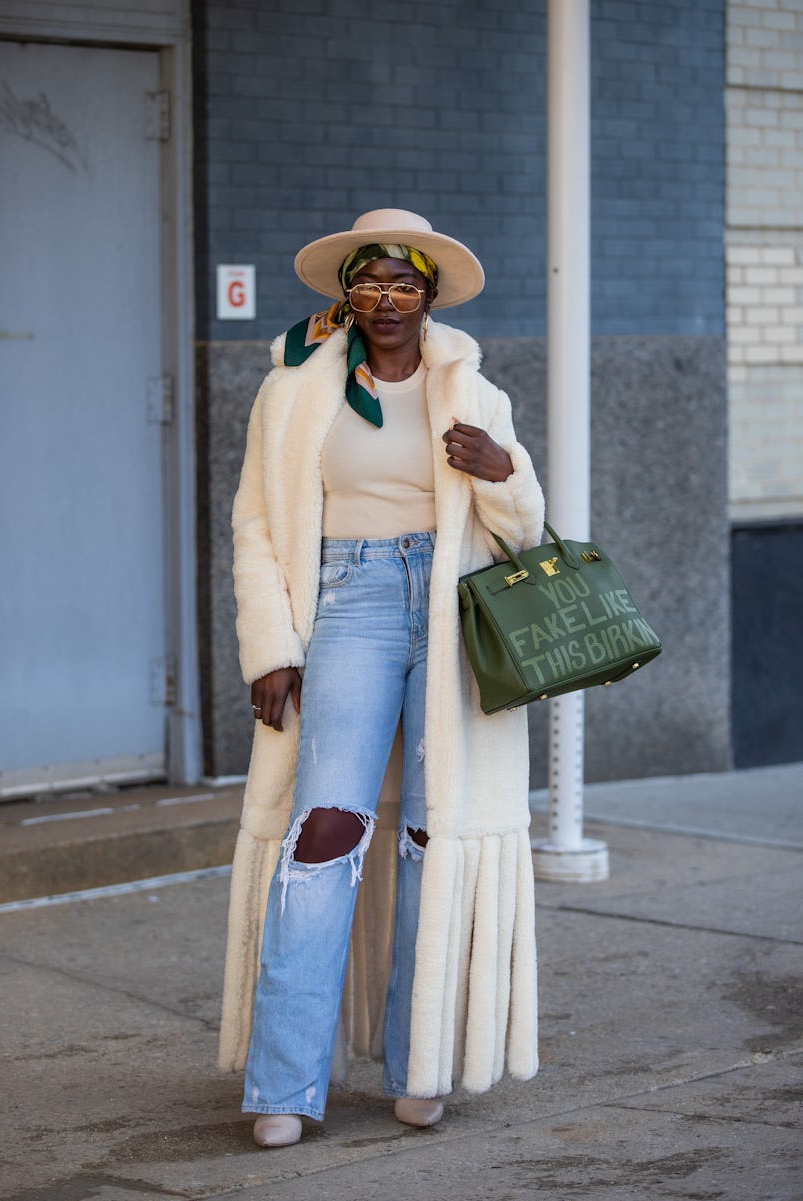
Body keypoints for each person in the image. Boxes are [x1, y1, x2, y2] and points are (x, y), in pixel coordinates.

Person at [219, 209, 545, 1148]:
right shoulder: (291, 394)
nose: (388, 300)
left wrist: (502, 470)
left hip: (449, 608)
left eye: (406, 285)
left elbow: (525, 532)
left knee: (428, 833)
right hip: (346, 599)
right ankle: (283, 1082)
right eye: (370, 283)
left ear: (429, 295)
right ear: (345, 294)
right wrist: (271, 645)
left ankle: (421, 1063)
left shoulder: (472, 392)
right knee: (323, 831)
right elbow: (254, 524)